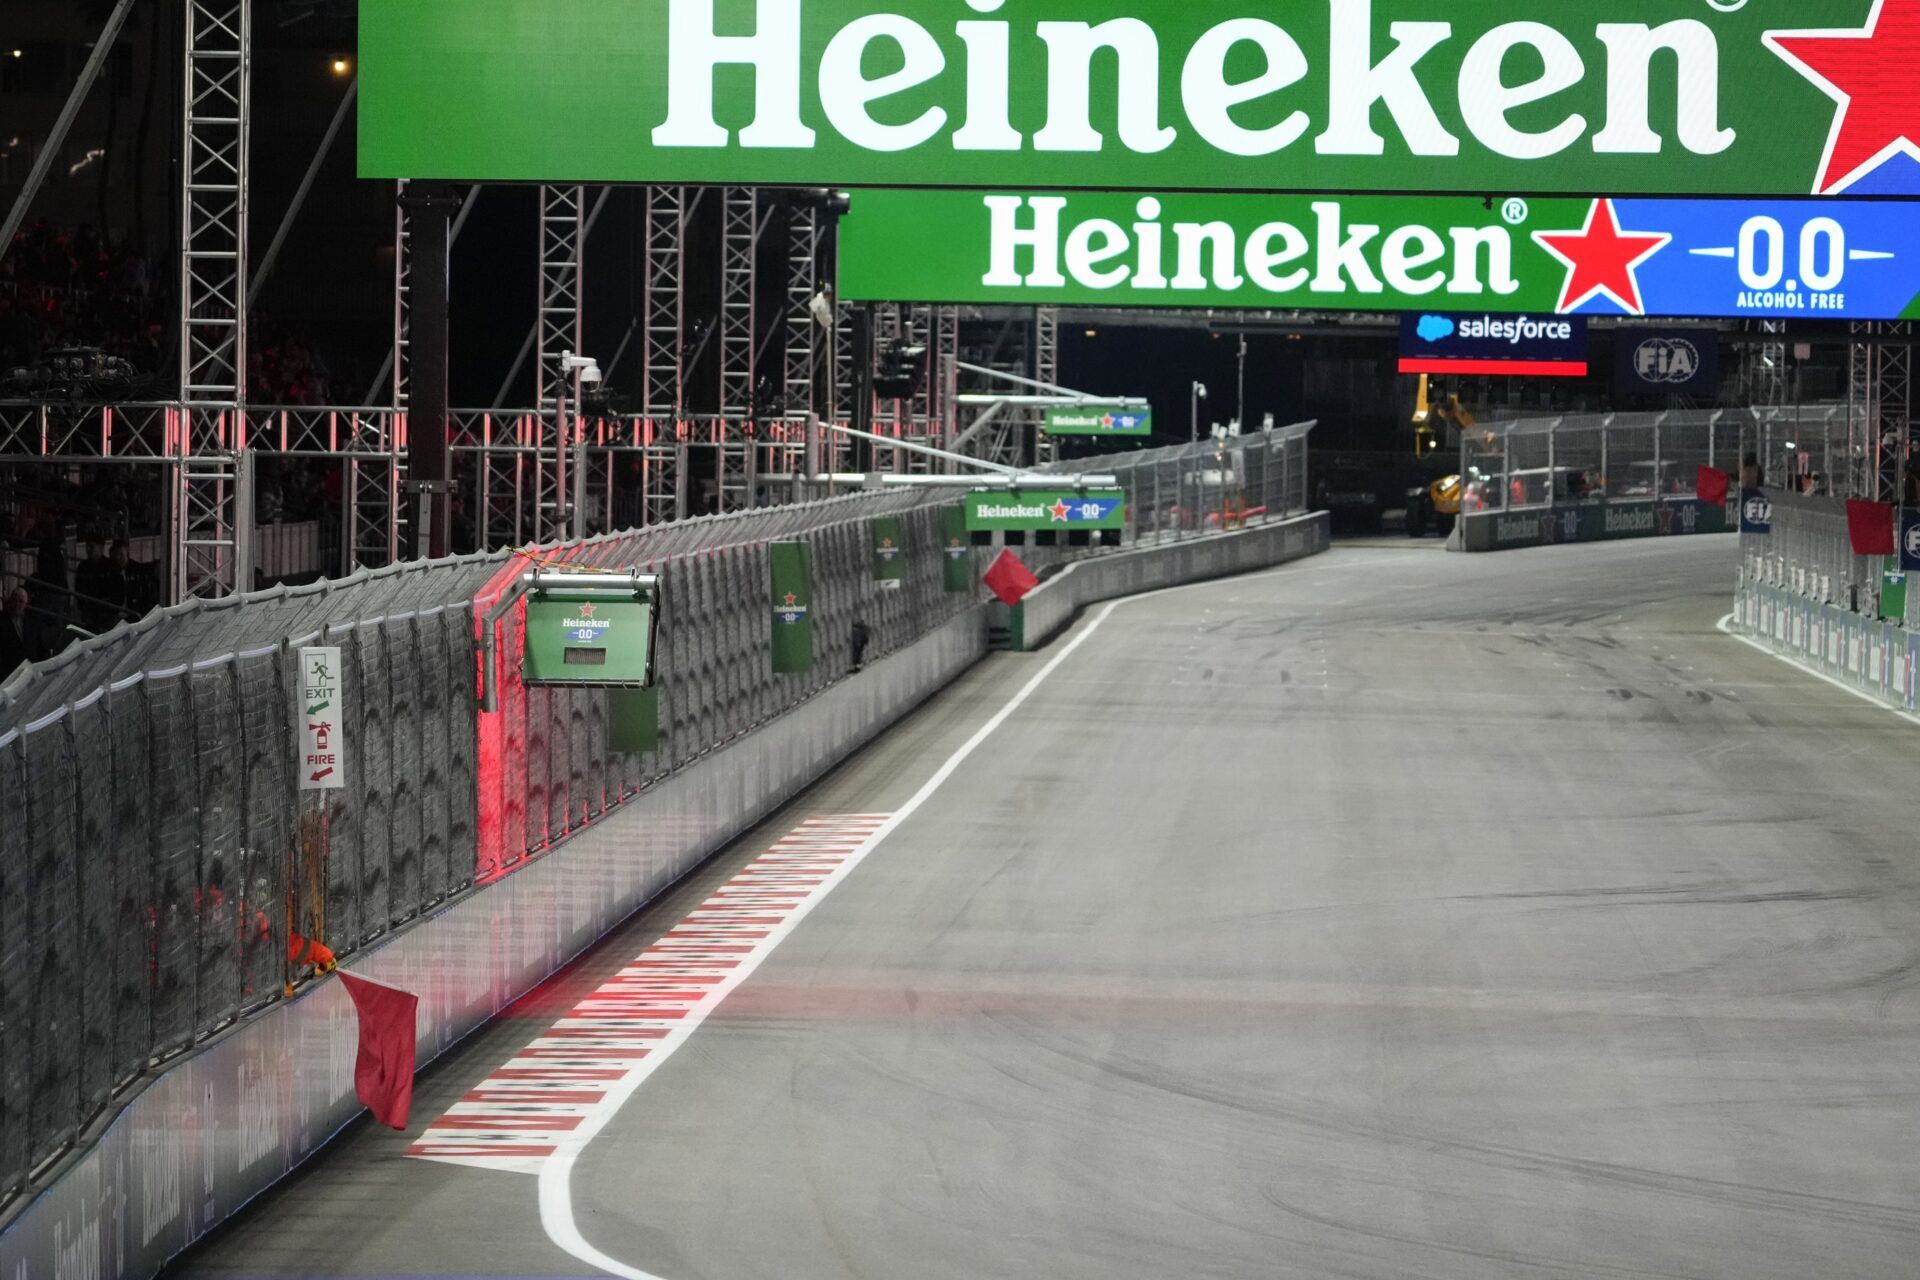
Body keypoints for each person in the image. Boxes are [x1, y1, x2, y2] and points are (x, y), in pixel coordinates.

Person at [0, 586, 46, 677]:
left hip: (30, 671)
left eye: (20, 601)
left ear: (26, 604)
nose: (17, 604)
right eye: (14, 600)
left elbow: (40, 646)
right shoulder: (2, 620)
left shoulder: (33, 622)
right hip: (8, 671)